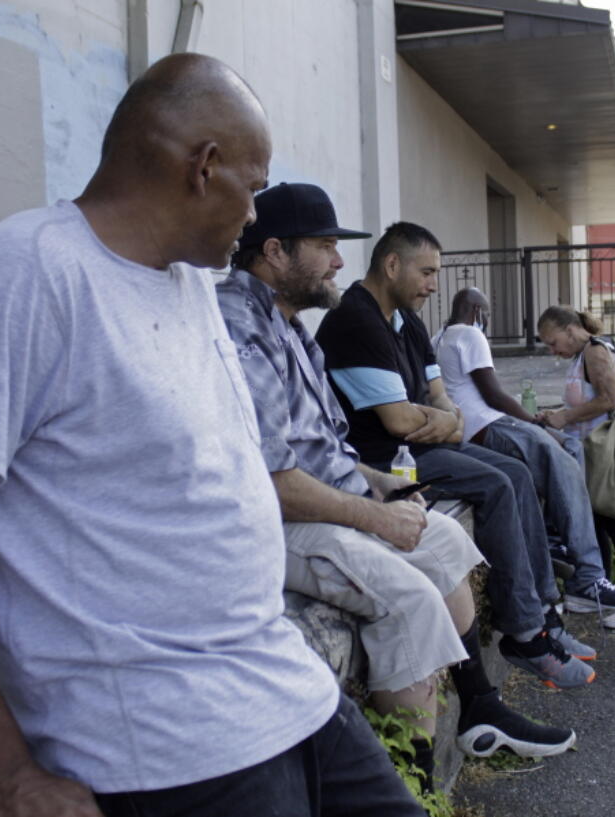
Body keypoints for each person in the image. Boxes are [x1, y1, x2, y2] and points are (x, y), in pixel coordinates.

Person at [0, 55, 424, 817]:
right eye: (252, 189)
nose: (256, 216)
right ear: (203, 167)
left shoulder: (189, 283)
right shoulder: (26, 275)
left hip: (286, 691)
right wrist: (3, 775)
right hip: (167, 753)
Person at [216, 183, 576, 777]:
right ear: (275, 251)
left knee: (445, 540)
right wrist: (375, 514)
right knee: (410, 603)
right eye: (326, 245)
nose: (337, 261)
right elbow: (271, 478)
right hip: (279, 520)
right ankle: (416, 782)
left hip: (331, 496)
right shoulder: (239, 322)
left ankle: (479, 707)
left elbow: (327, 450)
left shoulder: (291, 325)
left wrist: (380, 487)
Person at [315, 223, 600, 691]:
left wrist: (443, 420)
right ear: (391, 265)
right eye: (426, 272)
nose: (433, 284)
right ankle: (525, 635)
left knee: (516, 470)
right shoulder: (354, 320)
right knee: (496, 484)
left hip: (424, 445)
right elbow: (399, 423)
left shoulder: (407, 321)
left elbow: (442, 400)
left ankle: (545, 612)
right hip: (385, 460)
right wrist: (443, 420)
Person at [431, 287, 615, 616]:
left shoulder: (438, 337)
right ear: (479, 313)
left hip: (468, 428)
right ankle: (588, 575)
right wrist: (533, 423)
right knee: (562, 461)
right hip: (488, 423)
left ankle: (558, 535)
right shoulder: (470, 335)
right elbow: (493, 394)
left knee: (567, 448)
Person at [535, 306, 615, 630]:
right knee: (596, 523)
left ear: (570, 330)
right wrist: (557, 412)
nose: (552, 350)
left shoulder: (595, 352)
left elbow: (610, 399)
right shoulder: (581, 355)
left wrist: (565, 417)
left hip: (611, 450)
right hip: (595, 450)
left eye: (553, 341)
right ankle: (601, 591)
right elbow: (586, 400)